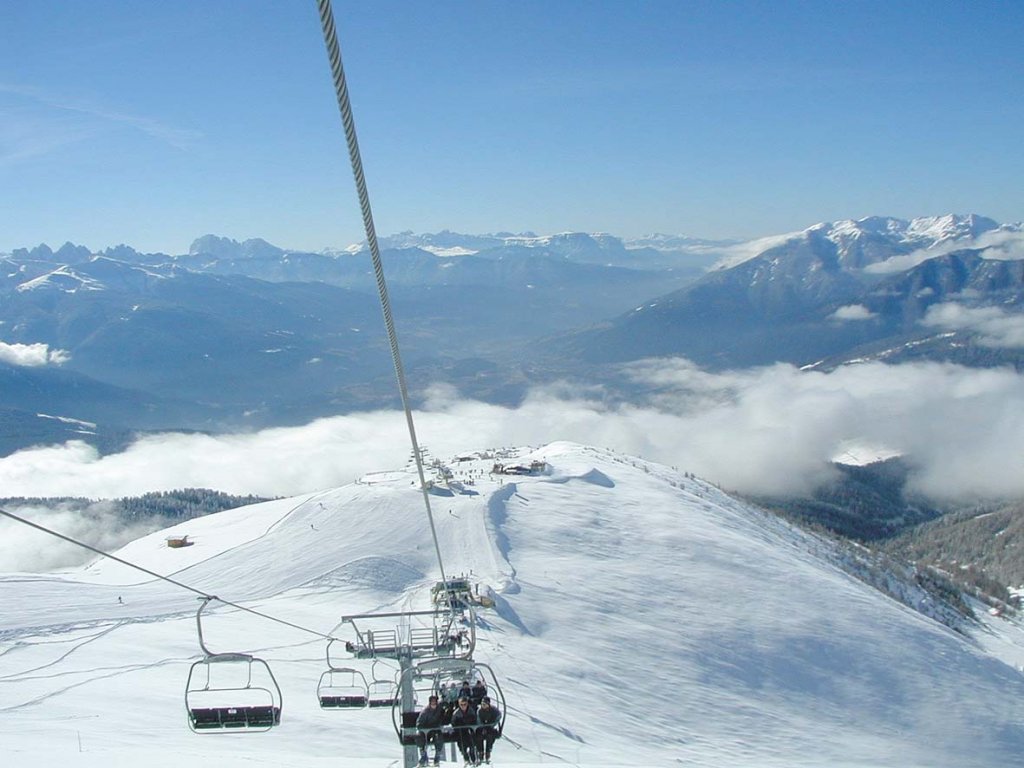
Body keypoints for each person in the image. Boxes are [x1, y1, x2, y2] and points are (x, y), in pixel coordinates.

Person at [449, 696, 479, 765]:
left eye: (464, 704)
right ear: (459, 705)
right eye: (461, 705)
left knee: (472, 738)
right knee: (461, 741)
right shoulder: (456, 713)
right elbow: (453, 723)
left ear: (467, 704)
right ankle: (465, 756)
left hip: (469, 729)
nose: (463, 706)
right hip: (461, 731)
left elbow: (474, 720)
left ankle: (473, 754)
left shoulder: (471, 711)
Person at [415, 695, 444, 766]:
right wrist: (424, 728)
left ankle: (437, 757)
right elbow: (419, 724)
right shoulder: (425, 712)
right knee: (420, 738)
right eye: (432, 703)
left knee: (439, 737)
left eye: (435, 703)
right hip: (425, 730)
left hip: (435, 730)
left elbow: (443, 716)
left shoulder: (439, 710)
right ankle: (423, 756)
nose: (434, 704)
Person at [476, 696, 500, 764]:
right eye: (482, 704)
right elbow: (478, 720)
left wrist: (492, 724)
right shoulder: (479, 711)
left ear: (488, 704)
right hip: (481, 727)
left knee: (491, 735)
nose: (483, 705)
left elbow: (499, 716)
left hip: (490, 727)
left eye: (485, 704)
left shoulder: (493, 710)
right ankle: (480, 752)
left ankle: (488, 751)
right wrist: (483, 727)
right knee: (479, 736)